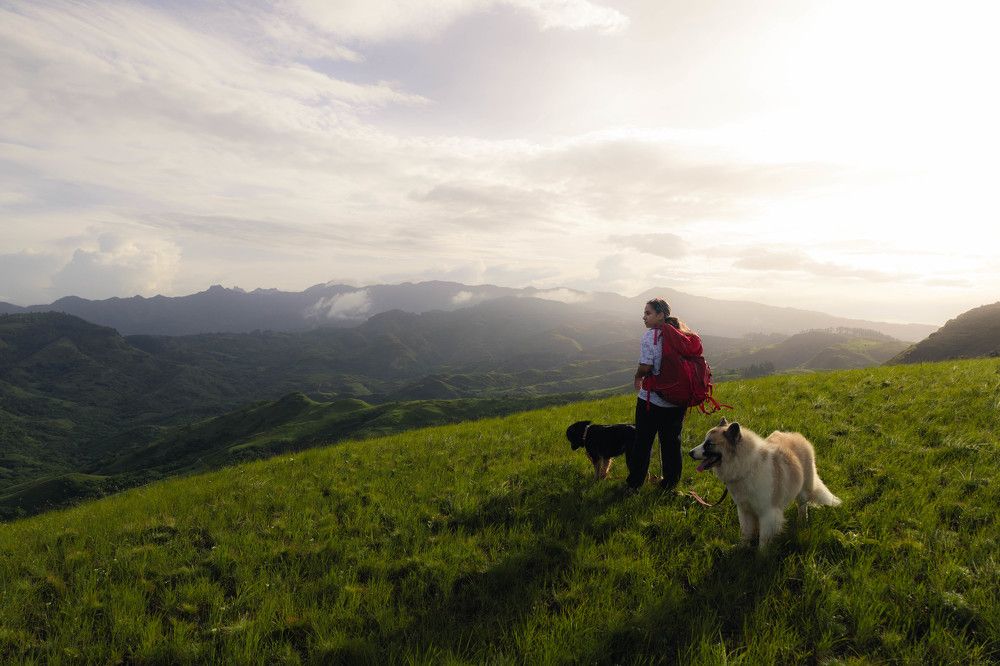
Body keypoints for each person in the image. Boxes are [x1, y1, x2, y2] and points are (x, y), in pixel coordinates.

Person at [626, 298, 692, 494]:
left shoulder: (651, 336)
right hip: (677, 401)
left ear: (661, 315)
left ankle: (635, 484)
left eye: (648, 313)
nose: (644, 317)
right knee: (671, 444)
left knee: (643, 442)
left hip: (652, 401)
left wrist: (637, 376)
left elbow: (646, 366)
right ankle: (670, 484)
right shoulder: (682, 334)